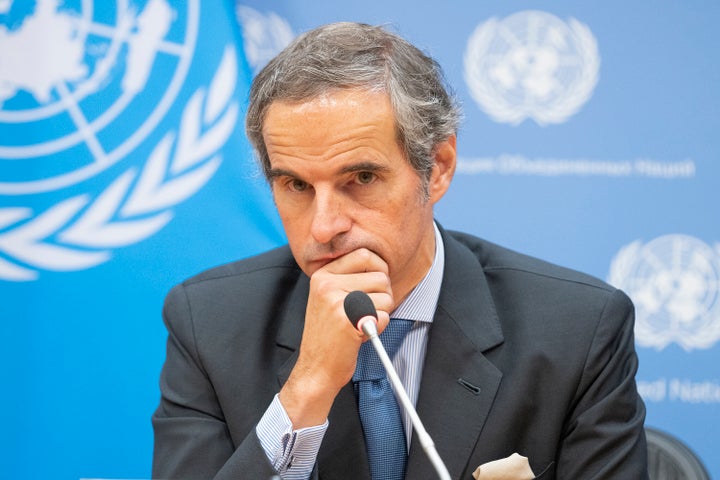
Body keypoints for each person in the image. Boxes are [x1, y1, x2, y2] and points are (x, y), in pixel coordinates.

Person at [152, 22, 648, 480]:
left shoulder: (577, 330)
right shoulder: (209, 321)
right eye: (296, 185)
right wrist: (308, 387)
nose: (324, 227)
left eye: (362, 178)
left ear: (438, 167)